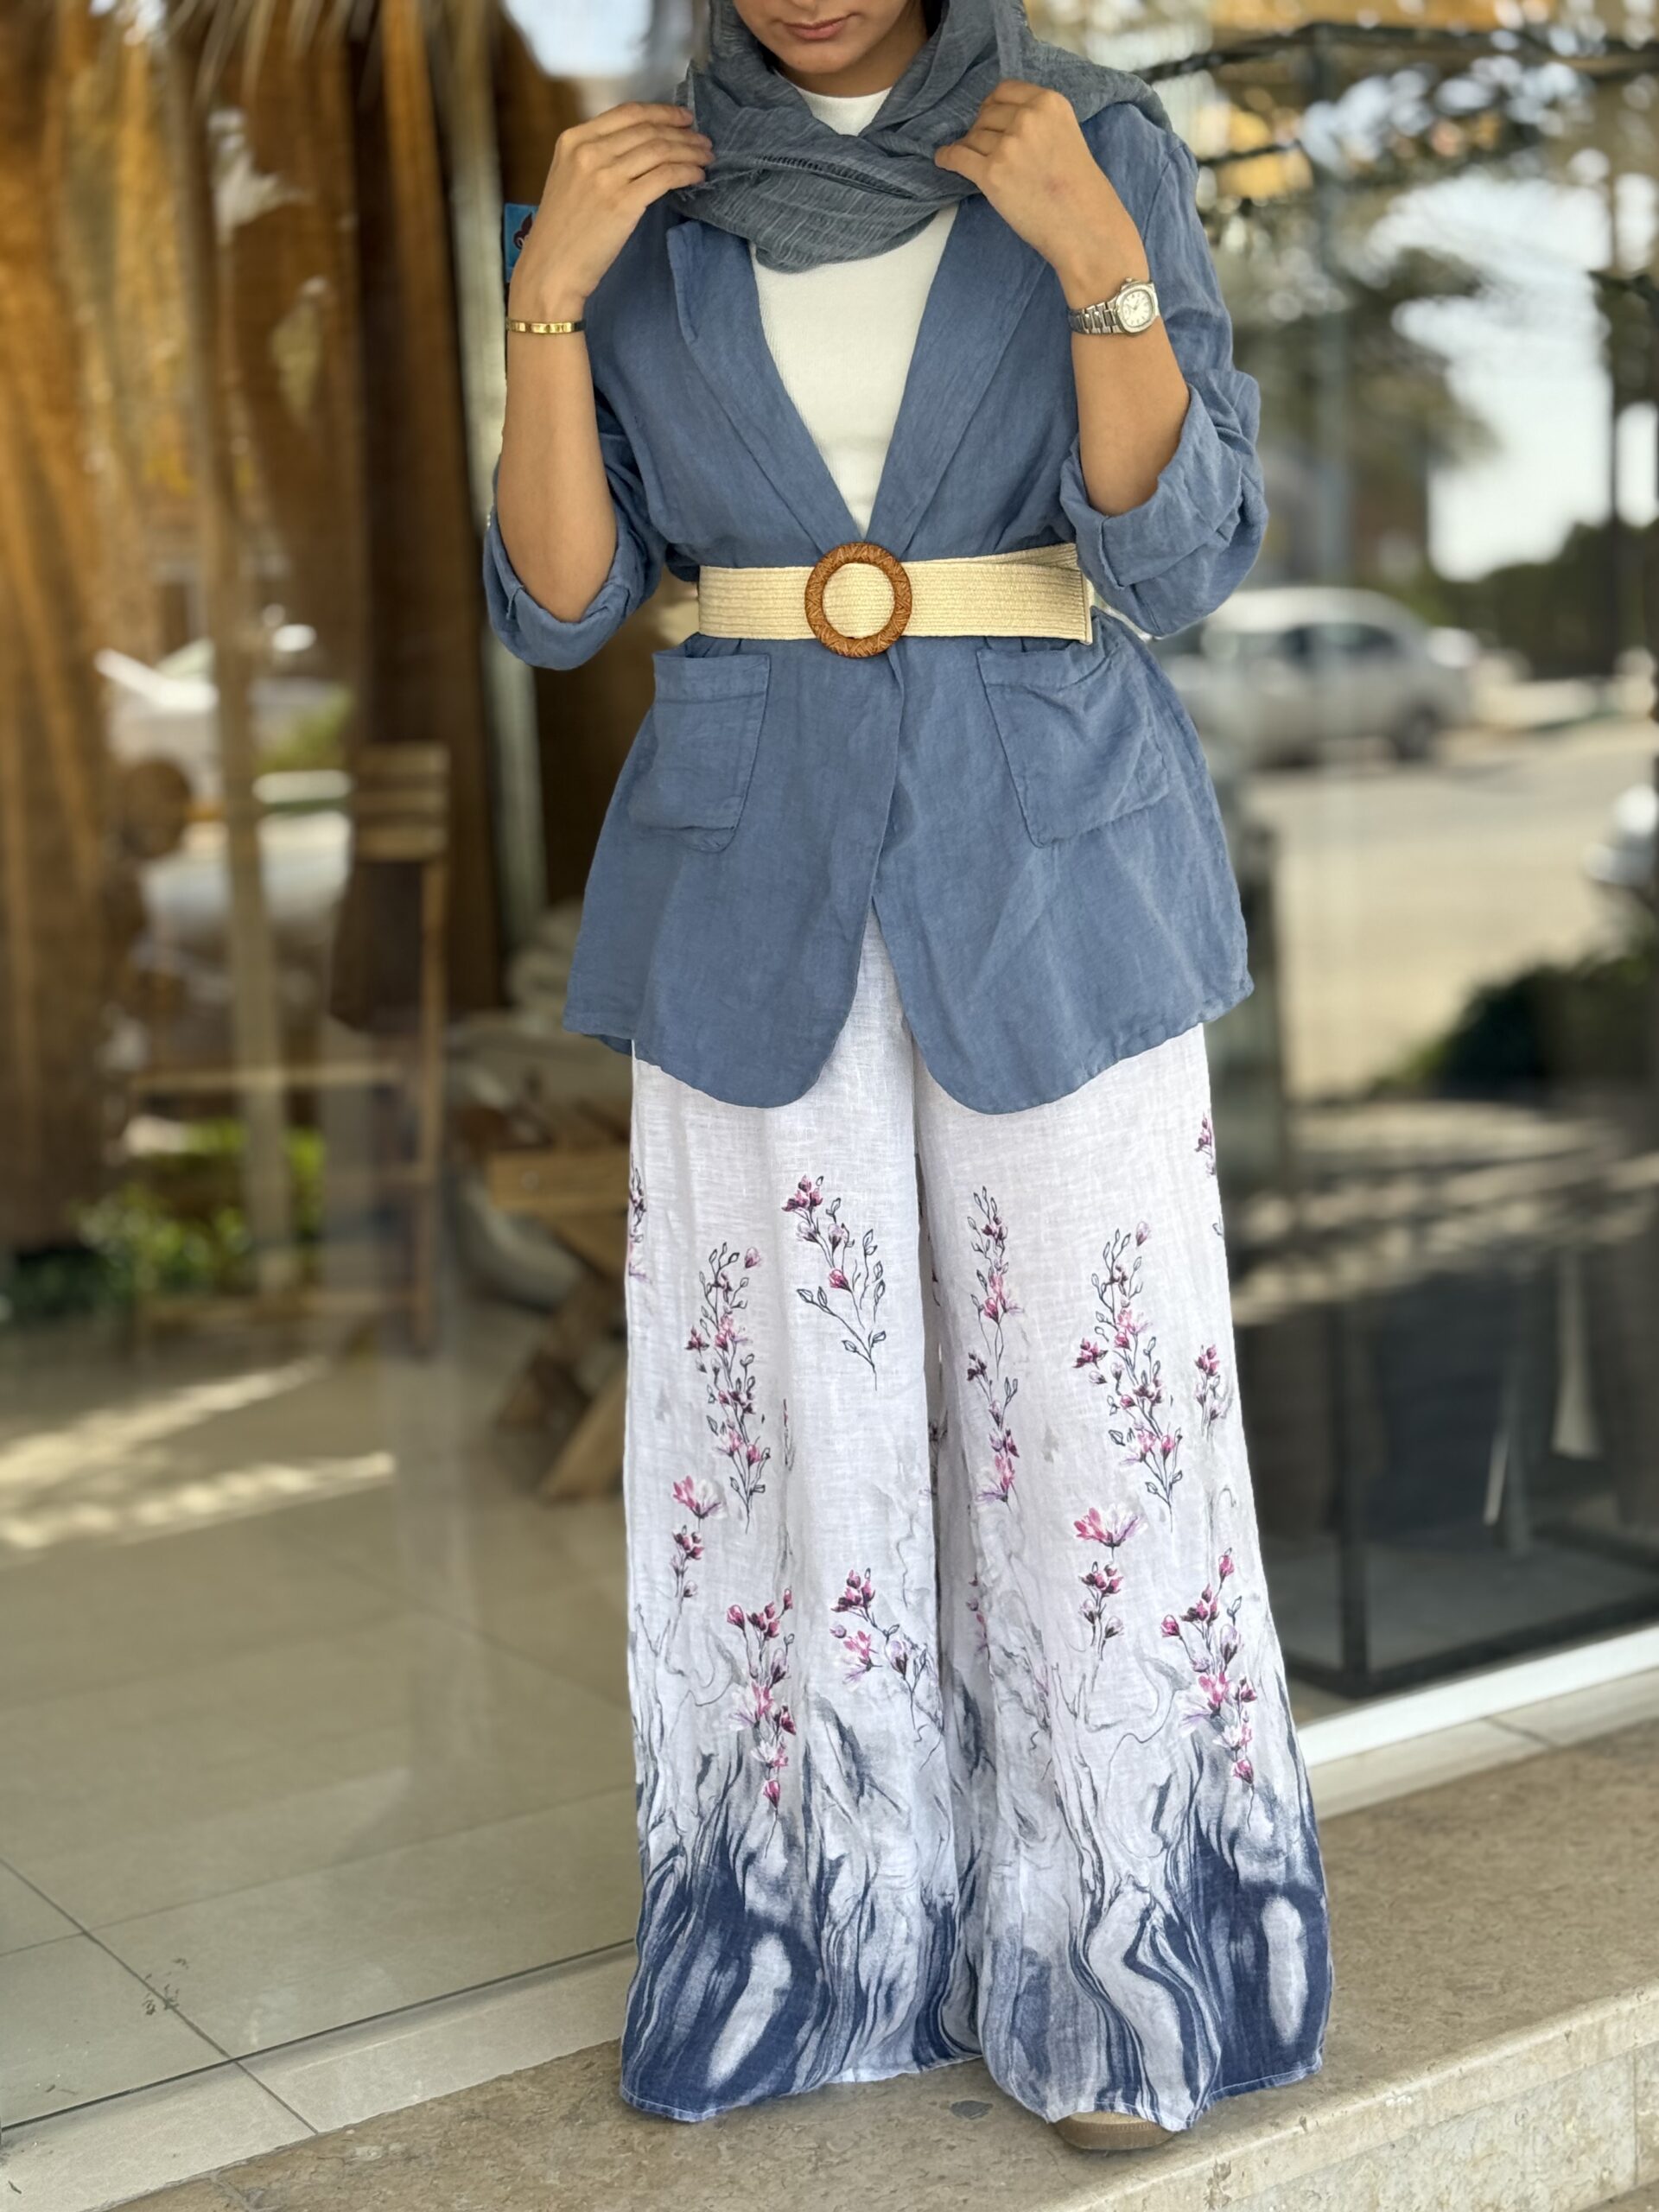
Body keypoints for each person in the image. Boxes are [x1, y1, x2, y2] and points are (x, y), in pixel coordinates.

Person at [486, 0, 1332, 2154]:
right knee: (779, 1418)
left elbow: (1180, 561)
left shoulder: (1091, 143)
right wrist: (546, 304)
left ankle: (1126, 1962)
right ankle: (808, 1943)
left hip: (1052, 854)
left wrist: (1096, 260)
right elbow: (563, 606)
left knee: (1091, 1414)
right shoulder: (625, 197)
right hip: (744, 869)